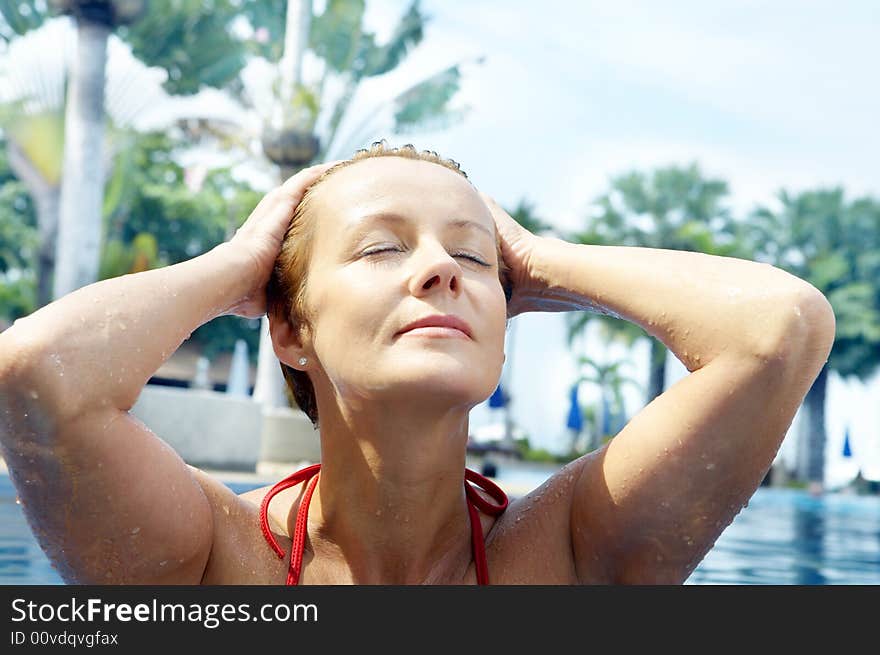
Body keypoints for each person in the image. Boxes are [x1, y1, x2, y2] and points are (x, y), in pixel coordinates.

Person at [0, 141, 835, 585]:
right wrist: (239, 263)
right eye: (381, 247)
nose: (439, 269)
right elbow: (35, 373)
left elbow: (782, 327)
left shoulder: (574, 554)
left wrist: (540, 260)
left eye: (474, 259)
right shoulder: (210, 560)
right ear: (291, 328)